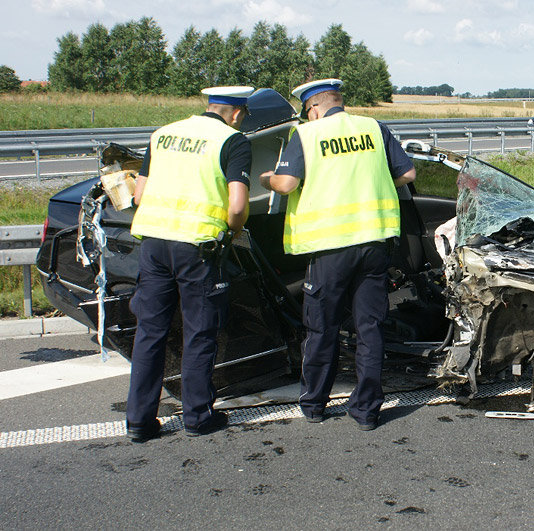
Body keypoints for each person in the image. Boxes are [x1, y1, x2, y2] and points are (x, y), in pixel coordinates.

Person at [261, 78, 415, 431]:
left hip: (329, 248)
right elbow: (407, 172)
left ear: (312, 108)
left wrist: (268, 178)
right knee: (370, 327)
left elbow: (286, 185)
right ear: (339, 101)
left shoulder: (306, 135)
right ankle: (366, 411)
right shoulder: (373, 128)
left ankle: (315, 404)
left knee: (322, 327)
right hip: (374, 244)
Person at [125, 86, 253, 441]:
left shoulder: (163, 134)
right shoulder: (232, 140)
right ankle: (197, 416)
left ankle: (139, 422)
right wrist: (232, 230)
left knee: (150, 332)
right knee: (199, 332)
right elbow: (238, 206)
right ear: (238, 113)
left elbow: (139, 194)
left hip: (152, 244)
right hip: (196, 249)